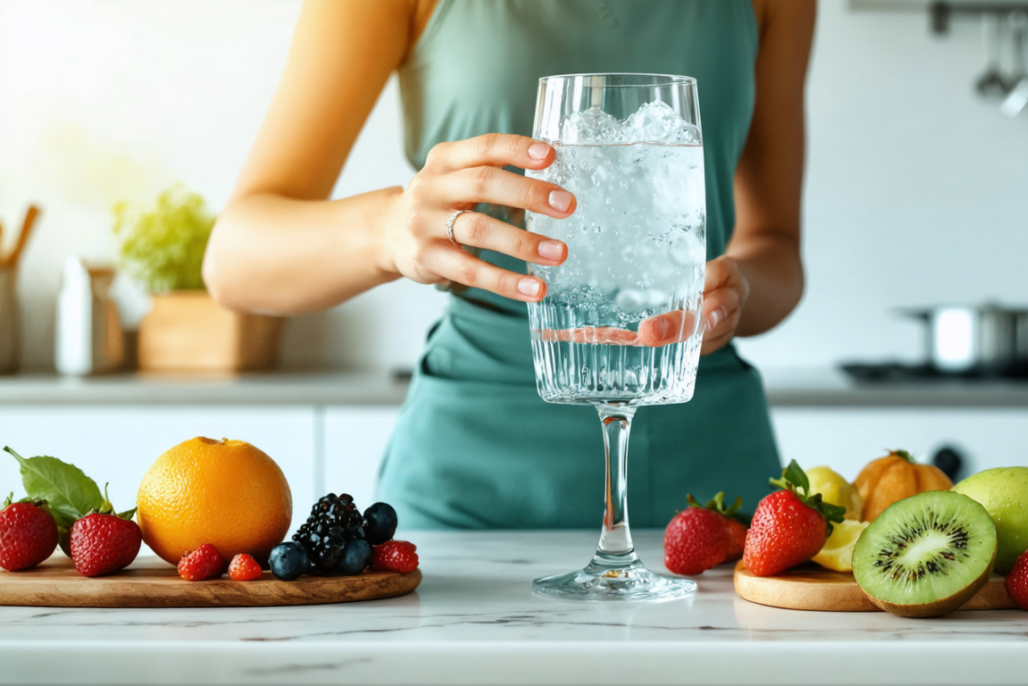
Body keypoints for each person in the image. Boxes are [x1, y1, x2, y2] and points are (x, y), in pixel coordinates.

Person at [204, 0, 815, 529]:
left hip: (714, 489)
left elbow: (777, 248)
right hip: (472, 484)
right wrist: (391, 230)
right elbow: (235, 259)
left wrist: (738, 292)